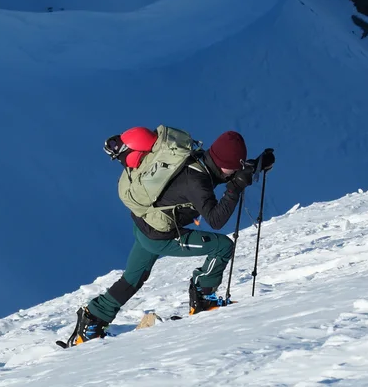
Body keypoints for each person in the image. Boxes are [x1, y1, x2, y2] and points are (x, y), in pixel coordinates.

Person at [65, 126, 275, 346]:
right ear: (224, 165)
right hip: (160, 236)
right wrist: (235, 188)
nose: (232, 174)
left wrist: (253, 167)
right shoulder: (197, 182)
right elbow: (216, 220)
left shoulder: (198, 160)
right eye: (233, 169)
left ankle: (93, 318)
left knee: (132, 280)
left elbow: (220, 176)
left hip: (144, 224)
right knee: (222, 246)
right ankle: (203, 297)